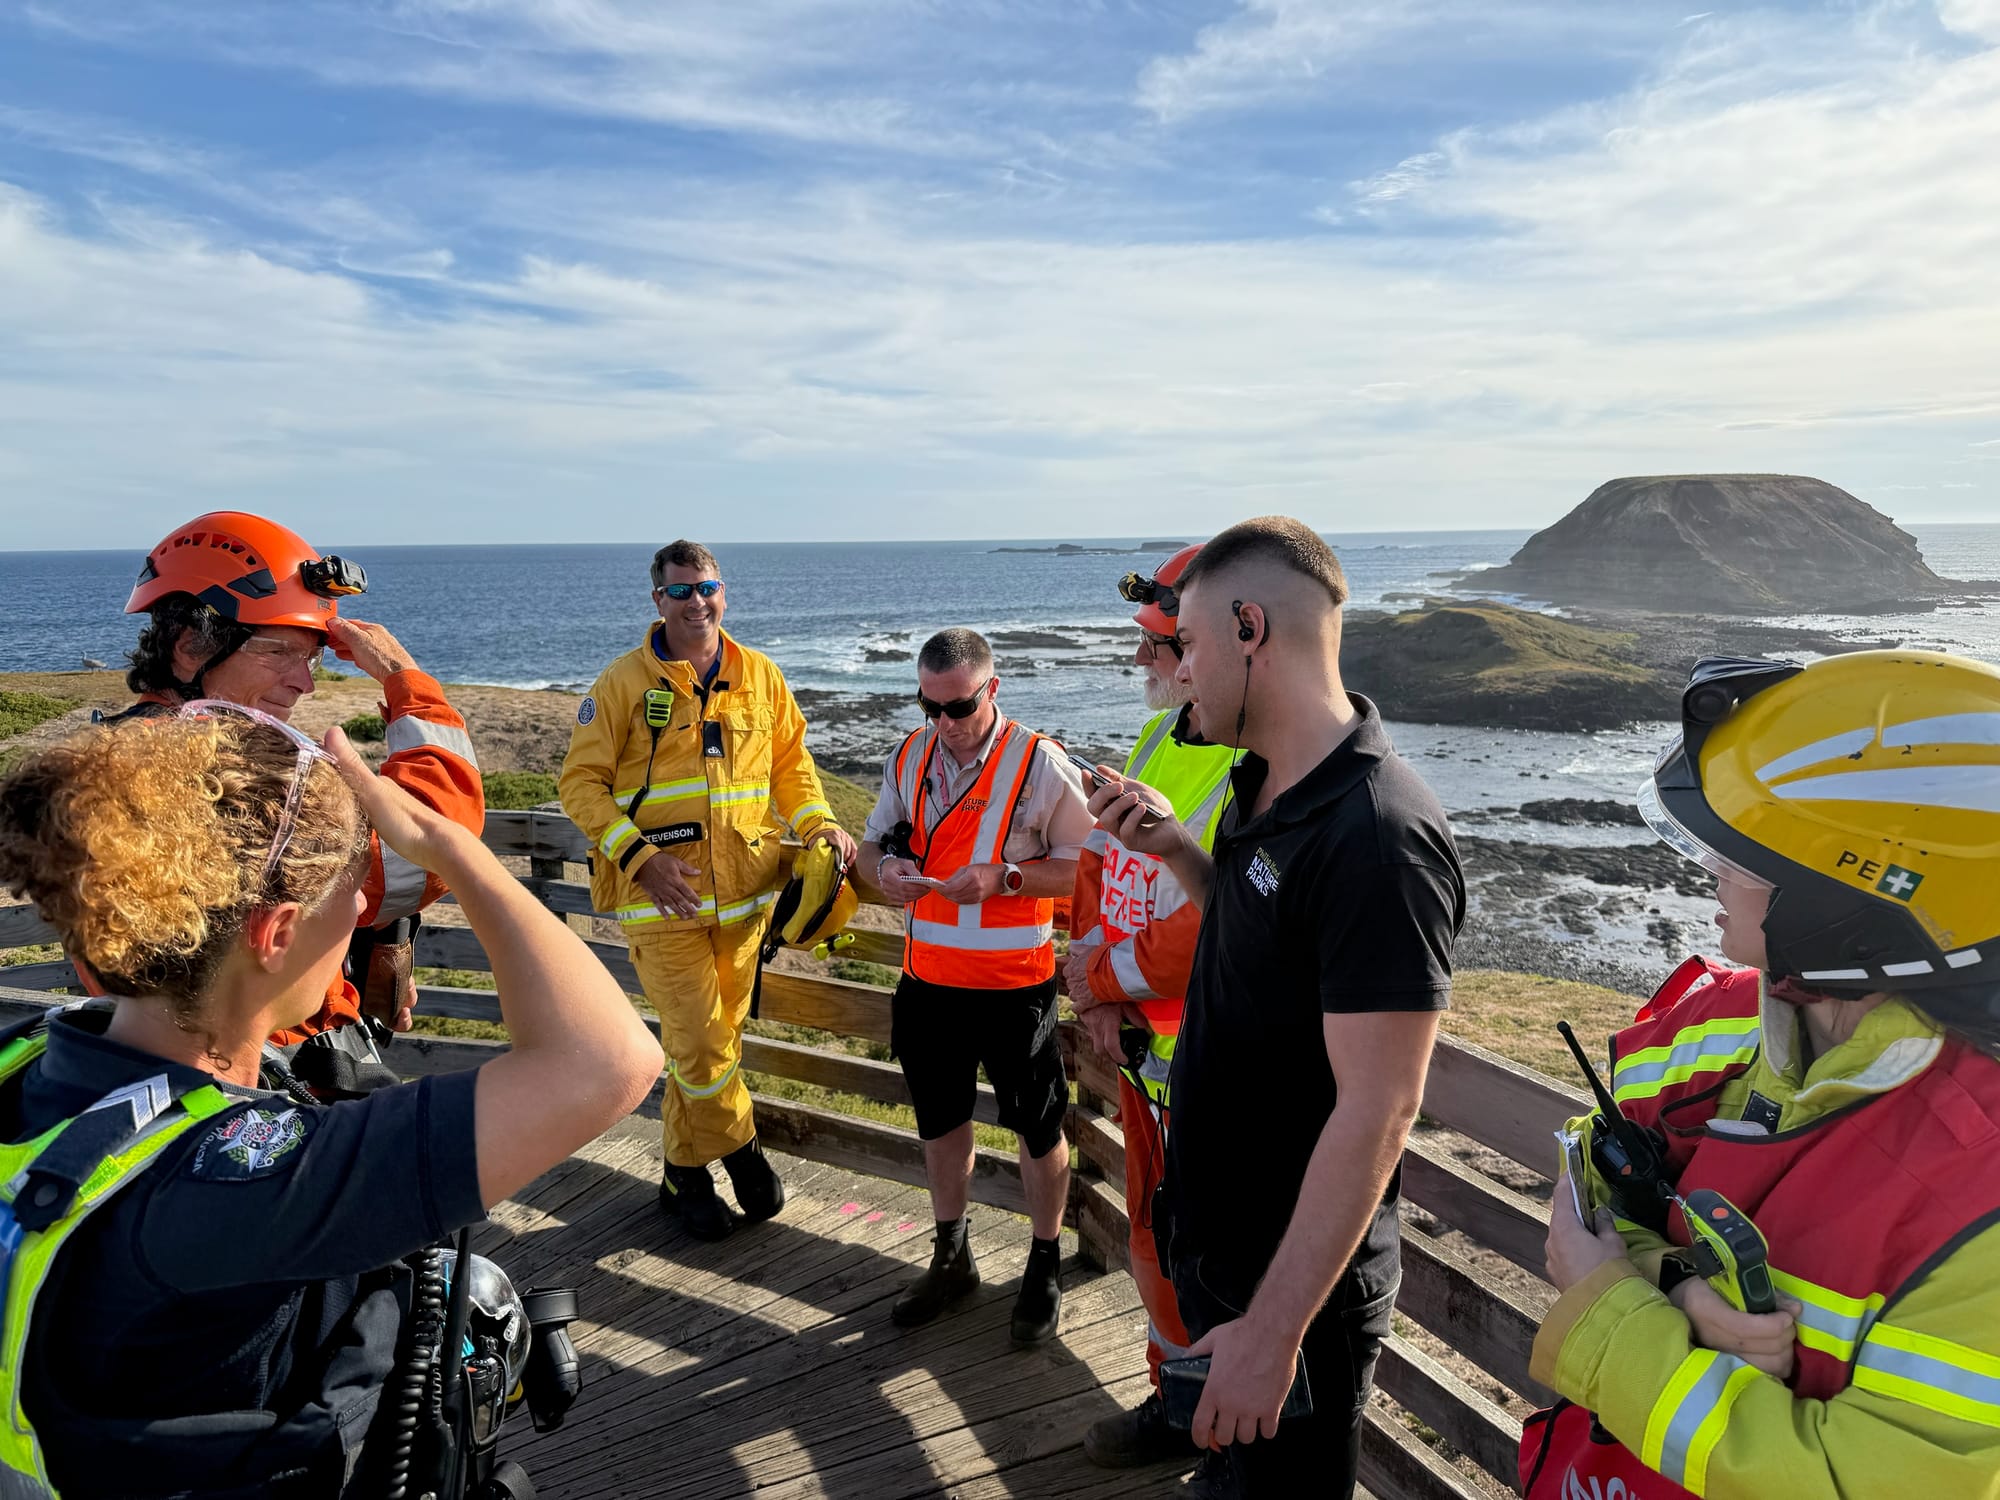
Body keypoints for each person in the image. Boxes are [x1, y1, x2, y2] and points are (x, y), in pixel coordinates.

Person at [0, 708, 660, 1497]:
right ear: (276, 933)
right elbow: (611, 1059)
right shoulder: (247, 1184)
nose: (360, 913)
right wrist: (451, 847)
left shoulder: (34, 1054)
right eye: (354, 888)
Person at [1522, 650, 2000, 1500]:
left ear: (1845, 903)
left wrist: (1614, 1315)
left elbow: (1852, 1482)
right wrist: (1673, 1282)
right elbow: (1591, 1171)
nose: (1713, 872)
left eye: (1748, 855)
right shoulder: (1718, 1024)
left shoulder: (1979, 1192)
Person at [1097, 516, 1464, 1498]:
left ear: (1250, 628)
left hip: (1293, 1298)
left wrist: (1274, 1328)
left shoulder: (1377, 836)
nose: (1178, 675)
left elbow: (1378, 1107)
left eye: (1193, 648)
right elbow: (1250, 935)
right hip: (1226, 1258)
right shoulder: (1258, 782)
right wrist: (1177, 849)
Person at [109, 511, 484, 1095]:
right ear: (189, 649)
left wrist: (375, 939)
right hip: (262, 1083)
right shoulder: (207, 775)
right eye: (277, 652)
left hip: (216, 1067)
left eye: (309, 657)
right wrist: (405, 682)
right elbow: (425, 849)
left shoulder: (139, 748)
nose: (303, 683)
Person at [559, 540, 856, 1241]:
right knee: (699, 1047)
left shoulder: (760, 675)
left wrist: (819, 826)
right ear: (657, 600)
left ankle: (681, 1176)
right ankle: (745, 1151)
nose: (698, 602)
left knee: (714, 1044)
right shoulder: (621, 684)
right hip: (660, 902)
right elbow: (578, 786)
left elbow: (793, 769)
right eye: (682, 591)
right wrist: (639, 859)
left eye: (708, 587)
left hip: (746, 904)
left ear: (725, 592)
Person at [855, 628, 1093, 1348]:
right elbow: (869, 848)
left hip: (1015, 989)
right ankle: (952, 1257)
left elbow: (1090, 868)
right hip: (927, 986)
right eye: (929, 707)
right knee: (940, 1123)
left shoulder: (1040, 762)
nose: (943, 724)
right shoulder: (911, 752)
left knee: (1038, 1127)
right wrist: (883, 874)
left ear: (993, 690)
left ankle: (1043, 1262)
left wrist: (1004, 878)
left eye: (957, 707)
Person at [1067, 544, 1240, 1468]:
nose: (1139, 661)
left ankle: (1214, 1434)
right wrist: (1098, 980)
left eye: (1155, 645)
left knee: (1202, 1257)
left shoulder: (1250, 765)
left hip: (1203, 1064)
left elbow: (1222, 928)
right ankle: (1174, 1404)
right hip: (1144, 1056)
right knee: (1150, 1237)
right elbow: (1101, 858)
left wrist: (1100, 981)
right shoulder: (1161, 735)